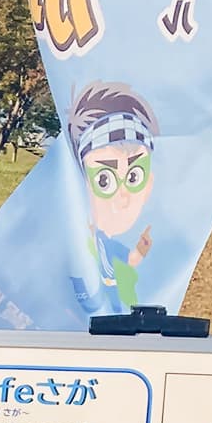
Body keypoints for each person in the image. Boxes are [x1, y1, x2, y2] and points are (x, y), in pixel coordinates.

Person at [69, 82, 158, 314]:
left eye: (134, 177)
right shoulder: (75, 239)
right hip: (91, 296)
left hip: (111, 294)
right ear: (84, 185)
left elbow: (129, 259)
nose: (122, 197)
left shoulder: (109, 243)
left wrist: (140, 249)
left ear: (149, 184)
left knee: (115, 311)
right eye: (104, 180)